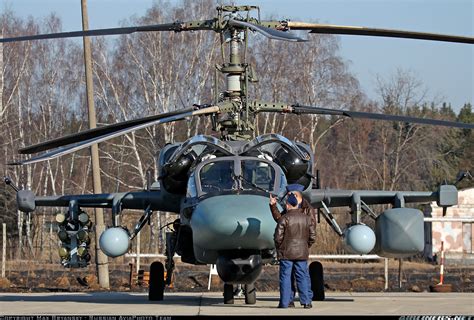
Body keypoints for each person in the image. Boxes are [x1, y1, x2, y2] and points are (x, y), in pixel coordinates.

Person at [269, 184, 316, 306]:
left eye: (289, 195)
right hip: (301, 252)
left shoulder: (305, 210)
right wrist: (273, 206)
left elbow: (278, 235)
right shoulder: (305, 217)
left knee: (286, 276)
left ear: (294, 196)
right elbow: (312, 235)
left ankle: (284, 302)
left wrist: (280, 247)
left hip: (287, 252)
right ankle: (306, 302)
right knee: (302, 276)